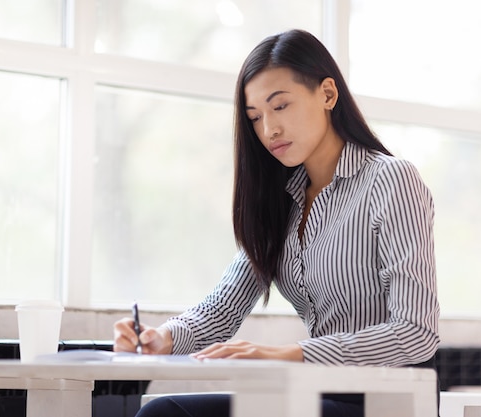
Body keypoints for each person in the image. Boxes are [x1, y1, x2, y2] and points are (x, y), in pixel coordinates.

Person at [113, 29, 440, 417]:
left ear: (328, 95)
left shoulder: (391, 179)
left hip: (388, 405)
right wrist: (162, 338)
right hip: (315, 396)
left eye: (280, 106)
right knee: (166, 411)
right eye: (255, 118)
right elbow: (220, 311)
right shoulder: (281, 201)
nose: (269, 129)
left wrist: (290, 354)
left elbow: (417, 332)